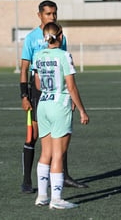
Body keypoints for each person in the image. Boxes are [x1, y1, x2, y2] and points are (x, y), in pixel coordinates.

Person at [20, 0, 87, 193]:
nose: (52, 17)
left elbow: (64, 70)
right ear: (39, 15)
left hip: (58, 93)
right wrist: (24, 95)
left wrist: (70, 98)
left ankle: (63, 177)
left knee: (60, 134)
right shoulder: (31, 38)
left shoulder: (60, 38)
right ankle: (27, 180)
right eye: (49, 14)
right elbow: (25, 69)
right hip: (38, 94)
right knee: (34, 136)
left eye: (54, 13)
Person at [33, 22, 89, 209]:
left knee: (45, 153)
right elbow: (71, 87)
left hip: (43, 104)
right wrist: (82, 110)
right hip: (59, 105)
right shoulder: (64, 55)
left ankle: (42, 196)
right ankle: (56, 199)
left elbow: (38, 85)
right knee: (58, 154)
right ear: (61, 35)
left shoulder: (38, 55)